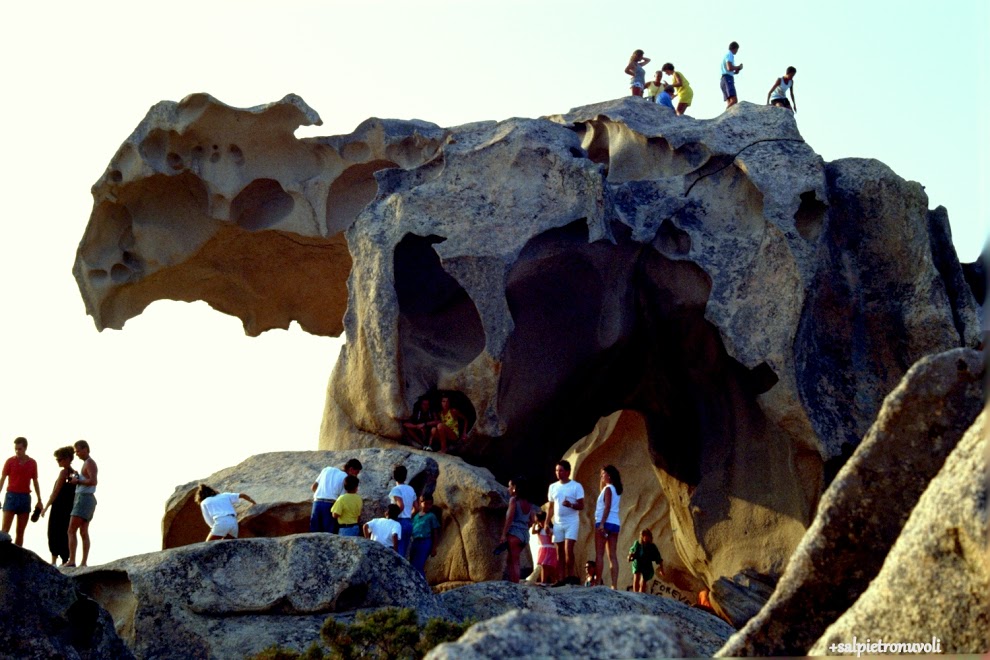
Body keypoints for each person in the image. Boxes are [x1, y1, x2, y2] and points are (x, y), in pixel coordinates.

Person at [546, 460, 584, 585]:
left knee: (568, 549)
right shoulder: (553, 487)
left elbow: (581, 505)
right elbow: (550, 506)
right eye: (557, 470)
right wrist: (547, 522)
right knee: (559, 551)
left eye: (561, 470)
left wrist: (571, 504)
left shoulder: (576, 486)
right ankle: (561, 578)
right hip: (557, 522)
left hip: (572, 521)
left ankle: (570, 576)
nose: (558, 473)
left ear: (567, 472)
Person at [1, 437, 42, 547]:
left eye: (20, 449)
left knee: (20, 531)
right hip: (11, 495)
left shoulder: (32, 463)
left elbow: (35, 481)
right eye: (16, 449)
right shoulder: (10, 461)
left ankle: (18, 558)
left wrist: (39, 499)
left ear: (25, 448)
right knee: (4, 530)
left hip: (25, 496)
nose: (17, 451)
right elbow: (3, 479)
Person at [40, 446, 76, 564]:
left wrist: (46, 507)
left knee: (54, 532)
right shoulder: (74, 474)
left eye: (59, 460)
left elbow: (55, 492)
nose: (58, 462)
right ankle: (66, 559)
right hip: (69, 508)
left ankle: (54, 561)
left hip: (59, 506)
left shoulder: (64, 473)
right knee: (65, 532)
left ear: (67, 459)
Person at [66, 440, 98, 567]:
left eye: (78, 450)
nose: (77, 453)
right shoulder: (86, 463)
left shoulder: (90, 463)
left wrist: (77, 481)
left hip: (84, 498)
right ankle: (83, 562)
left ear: (85, 449)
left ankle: (72, 560)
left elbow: (93, 481)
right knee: (83, 531)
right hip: (87, 498)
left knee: (71, 530)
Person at [311, 457, 362, 533]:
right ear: (351, 469)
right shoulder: (346, 478)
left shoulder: (326, 469)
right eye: (356, 473)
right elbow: (342, 498)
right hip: (330, 506)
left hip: (316, 504)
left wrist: (323, 494)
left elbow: (313, 487)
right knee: (329, 535)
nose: (356, 476)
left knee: (314, 534)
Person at [499, 477, 535, 583]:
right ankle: (514, 583)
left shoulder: (514, 500)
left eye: (510, 486)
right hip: (524, 534)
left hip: (515, 533)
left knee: (514, 561)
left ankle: (515, 585)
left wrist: (504, 534)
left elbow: (509, 517)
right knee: (512, 559)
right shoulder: (529, 502)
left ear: (515, 488)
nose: (508, 488)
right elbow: (532, 520)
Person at [594, 465, 623, 589]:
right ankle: (614, 585)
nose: (601, 476)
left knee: (599, 554)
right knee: (612, 555)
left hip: (604, 522)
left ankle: (597, 582)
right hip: (615, 523)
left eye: (603, 474)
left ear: (609, 475)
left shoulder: (608, 489)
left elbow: (607, 507)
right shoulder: (615, 489)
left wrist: (601, 523)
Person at [409, 494, 441, 577]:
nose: (428, 506)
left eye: (430, 504)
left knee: (418, 565)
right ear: (420, 503)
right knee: (411, 565)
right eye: (426, 503)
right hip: (415, 541)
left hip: (425, 542)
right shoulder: (416, 516)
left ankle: (423, 586)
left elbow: (435, 532)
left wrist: (434, 548)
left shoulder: (431, 516)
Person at [389, 465, 417, 558]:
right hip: (408, 522)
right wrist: (408, 515)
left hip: (399, 521)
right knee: (403, 551)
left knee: (397, 552)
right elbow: (416, 508)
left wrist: (392, 516)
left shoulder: (396, 489)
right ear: (405, 476)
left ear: (394, 476)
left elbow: (400, 505)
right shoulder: (411, 489)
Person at [628, 528, 664, 593]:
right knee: (636, 576)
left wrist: (661, 569)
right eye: (643, 535)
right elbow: (632, 551)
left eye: (647, 536)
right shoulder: (637, 544)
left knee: (644, 579)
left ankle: (641, 594)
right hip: (638, 562)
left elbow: (658, 558)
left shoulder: (652, 547)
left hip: (647, 564)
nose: (645, 537)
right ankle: (635, 593)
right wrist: (630, 557)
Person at [531, 511, 556, 585]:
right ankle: (544, 581)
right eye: (539, 522)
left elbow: (552, 538)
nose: (540, 524)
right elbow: (533, 532)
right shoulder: (540, 529)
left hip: (549, 548)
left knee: (546, 565)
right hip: (542, 549)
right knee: (543, 565)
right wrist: (535, 524)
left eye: (541, 522)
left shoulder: (550, 529)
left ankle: (548, 580)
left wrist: (548, 531)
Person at [721, 41, 744, 109]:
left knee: (730, 101)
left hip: (723, 79)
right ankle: (725, 115)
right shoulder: (730, 55)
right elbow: (729, 67)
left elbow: (727, 70)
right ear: (735, 48)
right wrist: (738, 67)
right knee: (734, 100)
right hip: (728, 79)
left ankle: (726, 117)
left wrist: (735, 71)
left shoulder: (726, 55)